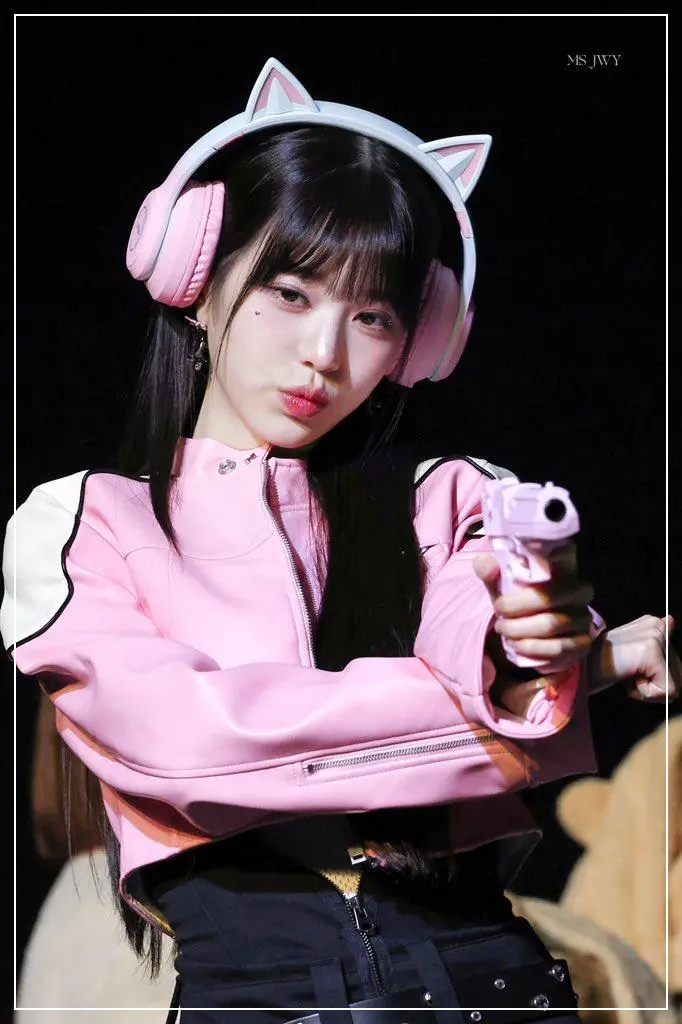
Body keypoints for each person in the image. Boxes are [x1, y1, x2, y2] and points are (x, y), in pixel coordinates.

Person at [3, 57, 677, 1023]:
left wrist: (531, 646)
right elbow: (195, 747)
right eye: (290, 292)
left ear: (418, 341)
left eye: (372, 316)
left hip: (496, 986)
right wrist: (560, 687)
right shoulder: (79, 527)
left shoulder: (450, 499)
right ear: (196, 276)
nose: (324, 354)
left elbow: (487, 622)